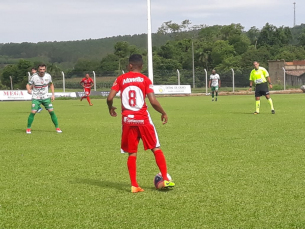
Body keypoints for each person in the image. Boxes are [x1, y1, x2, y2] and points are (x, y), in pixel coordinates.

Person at [107, 54, 175, 193]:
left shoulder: (121, 79)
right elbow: (153, 101)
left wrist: (110, 107)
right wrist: (163, 112)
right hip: (142, 118)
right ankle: (165, 178)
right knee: (155, 147)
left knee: (132, 153)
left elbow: (109, 98)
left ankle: (134, 185)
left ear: (130, 65)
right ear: (142, 66)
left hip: (127, 120)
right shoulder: (145, 79)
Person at [26, 64, 62, 134]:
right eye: (40, 69)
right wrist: (28, 89)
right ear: (38, 70)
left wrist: (53, 94)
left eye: (43, 69)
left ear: (45, 69)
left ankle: (57, 127)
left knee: (51, 111)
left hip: (45, 97)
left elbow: (51, 84)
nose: (42, 71)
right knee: (33, 112)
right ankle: (28, 128)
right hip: (36, 97)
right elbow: (28, 84)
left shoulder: (48, 76)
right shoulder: (34, 77)